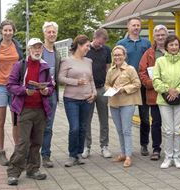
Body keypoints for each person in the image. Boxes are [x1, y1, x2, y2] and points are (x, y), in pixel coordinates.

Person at [6, 38, 54, 186]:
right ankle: (13, 172)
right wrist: (24, 91)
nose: (37, 50)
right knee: (23, 142)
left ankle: (33, 169)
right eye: (34, 48)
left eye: (39, 48)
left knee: (37, 142)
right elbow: (10, 85)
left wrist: (47, 90)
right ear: (29, 50)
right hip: (25, 109)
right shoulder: (19, 66)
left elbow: (51, 87)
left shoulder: (45, 67)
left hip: (41, 110)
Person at [153, 35, 180, 169]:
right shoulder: (159, 61)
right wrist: (168, 90)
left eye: (176, 44)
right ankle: (168, 156)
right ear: (166, 47)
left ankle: (177, 156)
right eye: (171, 45)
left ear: (179, 46)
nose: (174, 47)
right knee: (168, 130)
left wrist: (178, 90)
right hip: (164, 100)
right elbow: (156, 80)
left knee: (177, 130)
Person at [0, 20, 23, 166]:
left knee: (16, 121)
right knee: (0, 121)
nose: (8, 33)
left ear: (13, 31)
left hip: (15, 88)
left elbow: (22, 64)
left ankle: (18, 152)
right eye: (5, 30)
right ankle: (1, 152)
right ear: (1, 31)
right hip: (0, 87)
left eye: (10, 30)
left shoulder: (18, 46)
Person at [59, 35, 96, 167]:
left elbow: (91, 79)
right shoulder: (66, 61)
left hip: (86, 99)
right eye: (87, 46)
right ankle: (71, 155)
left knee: (83, 127)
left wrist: (94, 93)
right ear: (79, 45)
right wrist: (76, 82)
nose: (88, 48)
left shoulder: (89, 61)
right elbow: (60, 78)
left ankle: (79, 154)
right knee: (74, 128)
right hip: (71, 99)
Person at [116, 17, 152, 156]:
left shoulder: (147, 43)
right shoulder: (121, 43)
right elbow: (117, 63)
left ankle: (144, 145)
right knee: (126, 118)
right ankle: (125, 147)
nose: (136, 27)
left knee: (144, 117)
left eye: (138, 25)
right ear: (128, 27)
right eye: (133, 25)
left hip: (142, 85)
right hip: (127, 86)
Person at [105, 45, 142, 167]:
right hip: (114, 103)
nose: (117, 57)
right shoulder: (111, 70)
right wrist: (110, 89)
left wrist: (124, 89)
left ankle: (128, 156)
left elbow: (137, 84)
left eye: (119, 54)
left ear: (124, 56)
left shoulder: (130, 69)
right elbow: (106, 84)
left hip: (127, 102)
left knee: (126, 130)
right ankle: (123, 153)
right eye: (115, 55)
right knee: (119, 130)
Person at [138, 24, 168, 160]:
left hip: (171, 94)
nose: (160, 37)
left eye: (163, 35)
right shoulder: (149, 53)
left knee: (171, 124)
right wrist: (152, 84)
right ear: (154, 37)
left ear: (166, 36)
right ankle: (156, 149)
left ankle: (172, 150)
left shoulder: (174, 50)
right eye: (158, 35)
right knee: (156, 123)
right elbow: (142, 72)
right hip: (155, 94)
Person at [83, 28, 112, 159]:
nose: (101, 45)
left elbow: (108, 68)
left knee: (104, 118)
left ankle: (104, 146)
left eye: (103, 43)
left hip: (101, 88)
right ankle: (86, 146)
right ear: (94, 37)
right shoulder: (85, 49)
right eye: (100, 42)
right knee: (86, 119)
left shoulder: (106, 50)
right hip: (88, 89)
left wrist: (108, 85)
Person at [40, 22, 61, 168]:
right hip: (37, 93)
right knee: (36, 125)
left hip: (52, 94)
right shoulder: (38, 50)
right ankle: (32, 154)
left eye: (54, 32)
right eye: (49, 32)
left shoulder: (57, 52)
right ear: (44, 34)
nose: (52, 34)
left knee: (48, 126)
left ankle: (46, 155)